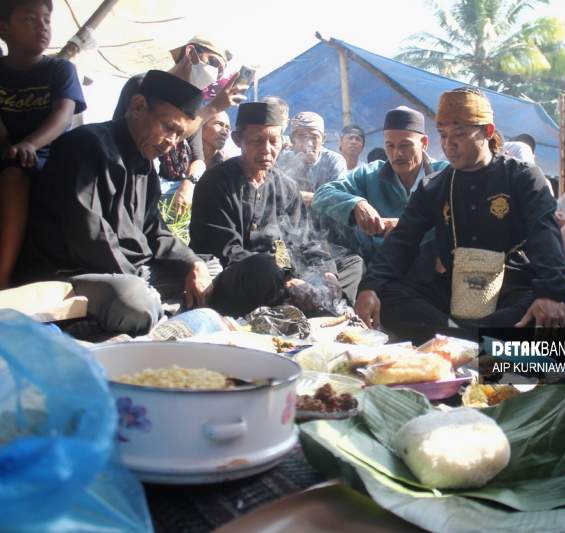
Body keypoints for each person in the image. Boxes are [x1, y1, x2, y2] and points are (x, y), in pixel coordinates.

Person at [355, 88, 565, 342]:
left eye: (459, 135)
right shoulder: (434, 185)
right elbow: (402, 240)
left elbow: (544, 235)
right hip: (453, 290)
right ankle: (474, 341)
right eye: (443, 135)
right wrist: (370, 286)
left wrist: (551, 294)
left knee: (540, 310)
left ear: (488, 131)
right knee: (387, 297)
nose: (448, 145)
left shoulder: (523, 177)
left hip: (510, 290)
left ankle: (455, 339)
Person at [18, 70, 212, 335]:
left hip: (132, 272)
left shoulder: (146, 165)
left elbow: (155, 231)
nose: (172, 142)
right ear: (138, 106)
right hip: (74, 273)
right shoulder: (86, 145)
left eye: (179, 135)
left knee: (209, 271)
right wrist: (140, 282)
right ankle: (134, 321)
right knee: (133, 300)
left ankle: (154, 316)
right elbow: (89, 236)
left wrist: (193, 263)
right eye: (169, 128)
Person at [190, 101, 364, 317]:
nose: (267, 149)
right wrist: (288, 279)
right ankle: (310, 307)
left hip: (283, 270)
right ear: (238, 140)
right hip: (239, 276)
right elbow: (226, 250)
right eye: (257, 141)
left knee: (350, 264)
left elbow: (303, 241)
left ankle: (327, 309)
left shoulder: (286, 186)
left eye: (274, 141)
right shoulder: (216, 182)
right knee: (264, 267)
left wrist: (326, 274)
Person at [0, 0, 86, 289]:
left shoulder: (60, 70)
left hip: (48, 157)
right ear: (4, 28)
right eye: (30, 19)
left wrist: (29, 144)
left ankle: (3, 277)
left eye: (46, 20)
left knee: (14, 175)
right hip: (7, 152)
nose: (42, 26)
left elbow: (63, 114)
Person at [112, 35, 245, 213]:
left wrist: (189, 183)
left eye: (220, 71)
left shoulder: (194, 104)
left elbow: (198, 159)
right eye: (212, 62)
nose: (215, 73)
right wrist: (213, 108)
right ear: (190, 52)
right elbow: (137, 142)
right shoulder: (145, 85)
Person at [312, 106, 448, 262]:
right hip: (382, 268)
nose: (397, 154)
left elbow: (457, 220)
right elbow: (322, 195)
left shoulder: (444, 174)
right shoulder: (369, 174)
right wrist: (356, 204)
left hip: (432, 267)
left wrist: (407, 226)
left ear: (424, 143)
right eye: (390, 145)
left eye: (405, 145)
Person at [276, 111, 347, 206]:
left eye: (314, 137)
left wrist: (297, 196)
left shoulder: (333, 161)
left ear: (323, 139)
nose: (309, 143)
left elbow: (339, 198)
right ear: (292, 139)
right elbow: (274, 193)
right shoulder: (282, 159)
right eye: (301, 136)